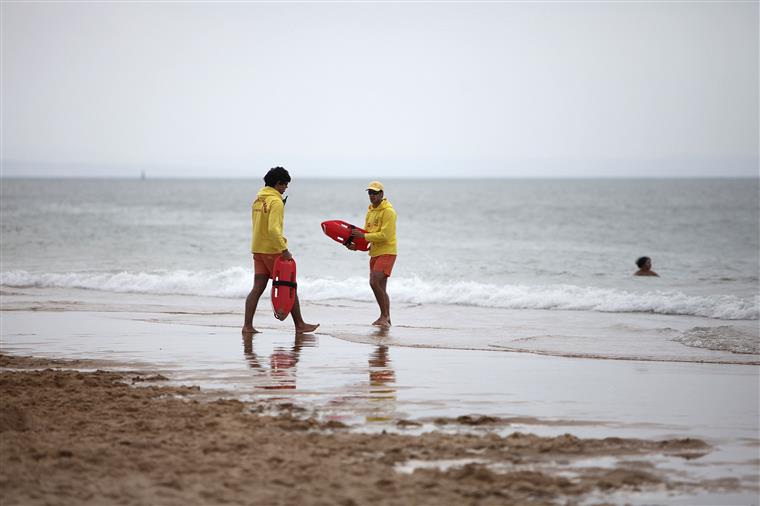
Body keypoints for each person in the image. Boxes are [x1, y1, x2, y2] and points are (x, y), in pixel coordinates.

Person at [242, 167, 319, 334]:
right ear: (278, 184)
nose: (286, 188)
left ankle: (247, 326)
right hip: (272, 251)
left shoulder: (258, 199)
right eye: (285, 185)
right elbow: (273, 230)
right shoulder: (275, 202)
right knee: (289, 286)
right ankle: (300, 325)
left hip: (258, 249)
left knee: (257, 288)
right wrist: (284, 250)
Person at [348, 181, 397, 328]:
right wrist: (355, 246)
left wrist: (363, 237)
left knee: (373, 282)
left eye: (375, 193)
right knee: (381, 287)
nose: (372, 195)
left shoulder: (389, 212)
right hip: (374, 252)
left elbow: (385, 236)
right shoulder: (370, 211)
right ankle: (387, 319)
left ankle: (384, 316)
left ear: (382, 194)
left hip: (387, 251)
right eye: (370, 193)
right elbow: (366, 235)